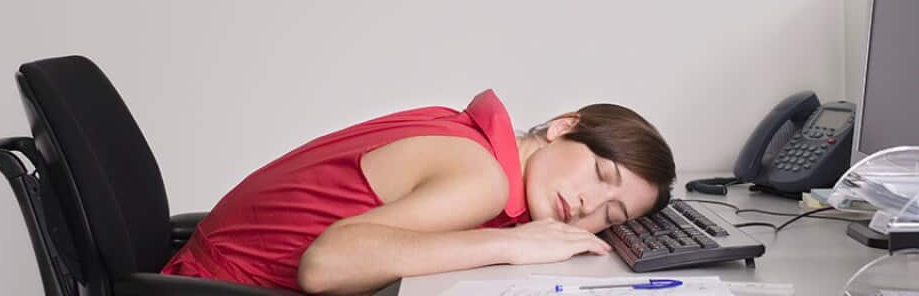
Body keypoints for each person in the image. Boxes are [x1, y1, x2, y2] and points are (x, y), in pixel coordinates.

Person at [162, 89, 676, 295]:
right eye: (601, 174)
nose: (588, 205)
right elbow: (326, 266)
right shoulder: (482, 179)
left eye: (611, 214)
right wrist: (509, 244)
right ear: (565, 127)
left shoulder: (466, 132)